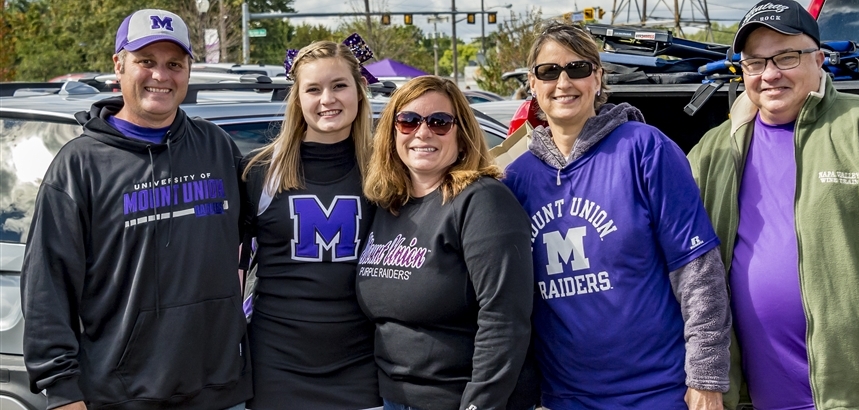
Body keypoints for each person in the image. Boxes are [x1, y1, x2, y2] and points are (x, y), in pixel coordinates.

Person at [686, 1, 859, 409]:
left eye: (786, 56)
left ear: (819, 60)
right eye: (755, 62)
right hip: (762, 396)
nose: (770, 74)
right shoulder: (714, 150)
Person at [20, 9, 251, 410]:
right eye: (146, 61)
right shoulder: (81, 165)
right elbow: (47, 286)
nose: (161, 76)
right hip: (118, 396)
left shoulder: (216, 147)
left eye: (174, 64)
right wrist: (61, 393)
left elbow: (264, 237)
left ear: (189, 71)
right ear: (119, 65)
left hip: (219, 389)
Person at [502, 23, 732, 409]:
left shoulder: (645, 149)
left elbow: (698, 271)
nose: (563, 82)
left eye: (577, 69)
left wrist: (706, 377)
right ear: (532, 83)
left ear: (598, 77)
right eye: (548, 71)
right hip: (564, 397)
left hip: (658, 392)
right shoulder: (517, 178)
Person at [357, 75, 535, 410]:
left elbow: (505, 318)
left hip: (463, 399)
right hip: (395, 398)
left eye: (439, 122)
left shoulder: (483, 201)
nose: (422, 132)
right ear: (393, 133)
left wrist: (478, 405)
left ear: (462, 135)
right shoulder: (387, 204)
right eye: (408, 121)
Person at [239, 40, 380, 410]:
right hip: (277, 366)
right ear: (297, 98)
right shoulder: (259, 173)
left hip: (363, 366)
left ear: (360, 90)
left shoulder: (386, 172)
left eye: (339, 86)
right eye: (313, 89)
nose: (327, 99)